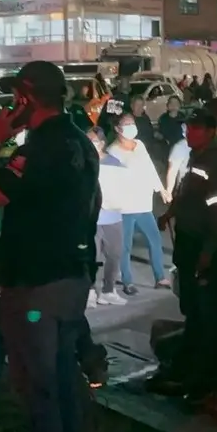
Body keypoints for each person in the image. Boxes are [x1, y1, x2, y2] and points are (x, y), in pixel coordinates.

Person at [0, 61, 99, 432]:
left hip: (36, 284)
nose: (10, 105)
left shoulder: (41, 148)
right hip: (70, 275)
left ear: (25, 97)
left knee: (39, 383)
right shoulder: (80, 142)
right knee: (58, 372)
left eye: (14, 97)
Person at [148, 109, 217, 402]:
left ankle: (204, 379)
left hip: (207, 250)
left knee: (208, 316)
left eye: (196, 128)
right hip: (190, 246)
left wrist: (209, 252)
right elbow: (188, 193)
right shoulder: (196, 158)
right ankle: (187, 371)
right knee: (194, 312)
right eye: (188, 127)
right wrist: (170, 214)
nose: (189, 132)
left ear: (211, 131)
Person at [108, 114, 170, 294]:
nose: (131, 127)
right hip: (125, 207)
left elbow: (149, 169)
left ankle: (160, 278)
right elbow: (111, 180)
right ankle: (127, 281)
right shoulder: (114, 151)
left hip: (143, 205)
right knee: (125, 246)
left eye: (132, 123)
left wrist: (161, 190)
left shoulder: (140, 145)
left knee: (155, 240)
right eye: (126, 124)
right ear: (117, 129)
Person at [87, 127, 127, 307]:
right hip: (91, 219)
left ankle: (108, 290)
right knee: (91, 256)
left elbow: (123, 187)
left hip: (113, 218)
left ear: (102, 144)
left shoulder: (115, 163)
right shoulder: (83, 163)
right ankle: (89, 292)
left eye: (93, 141)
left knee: (114, 255)